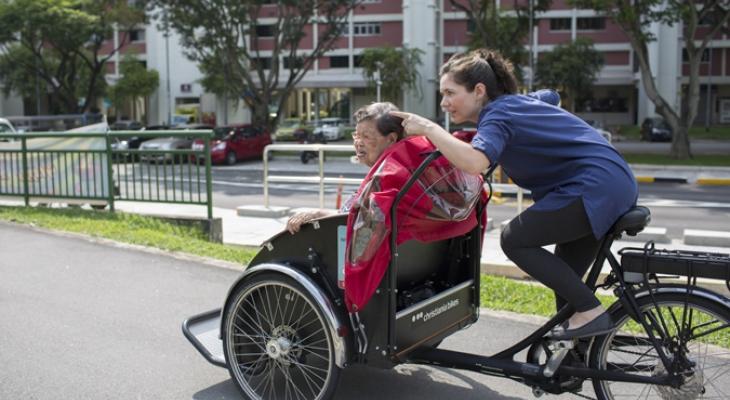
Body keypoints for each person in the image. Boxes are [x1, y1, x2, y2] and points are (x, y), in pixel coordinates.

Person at [391, 48, 638, 340]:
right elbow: (551, 96)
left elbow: (474, 161)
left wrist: (428, 128)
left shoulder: (498, 113)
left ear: (479, 90)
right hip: (613, 183)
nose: (443, 103)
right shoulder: (515, 105)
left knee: (514, 240)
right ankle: (580, 361)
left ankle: (594, 314)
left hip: (593, 188)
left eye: (449, 93)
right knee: (568, 287)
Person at [286, 102, 404, 234]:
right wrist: (316, 214)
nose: (358, 143)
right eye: (356, 136)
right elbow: (349, 216)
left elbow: (358, 225)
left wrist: (316, 214)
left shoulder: (389, 181)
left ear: (391, 139)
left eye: (366, 136)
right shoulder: (387, 173)